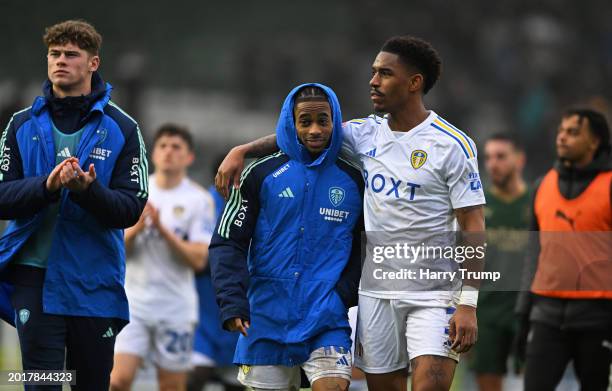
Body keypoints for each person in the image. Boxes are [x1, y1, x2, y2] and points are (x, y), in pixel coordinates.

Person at [215, 36, 486, 391]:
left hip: (434, 294)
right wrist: (242, 150)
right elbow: (303, 130)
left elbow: (473, 224)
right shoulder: (363, 133)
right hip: (375, 294)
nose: (373, 81)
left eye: (385, 73)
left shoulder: (452, 144)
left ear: (414, 83)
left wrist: (468, 302)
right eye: (373, 72)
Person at [0, 20, 148, 390]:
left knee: (90, 384)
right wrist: (47, 186)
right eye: (54, 54)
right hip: (35, 280)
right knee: (43, 383)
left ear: (93, 63)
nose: (60, 61)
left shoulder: (124, 128)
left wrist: (87, 190)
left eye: (71, 54)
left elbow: (131, 208)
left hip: (94, 284)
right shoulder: (19, 125)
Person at [210, 83, 363, 391]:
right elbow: (228, 241)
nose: (315, 130)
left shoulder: (354, 179)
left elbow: (364, 247)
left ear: (335, 121)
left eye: (323, 120)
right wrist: (232, 302)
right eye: (305, 122)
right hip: (265, 317)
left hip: (326, 318)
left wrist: (341, 297)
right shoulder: (260, 174)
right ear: (289, 123)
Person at [110, 124, 215, 391]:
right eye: (163, 146)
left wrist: (163, 230)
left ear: (189, 157)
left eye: (176, 147)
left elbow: (199, 260)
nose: (169, 152)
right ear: (152, 154)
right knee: (118, 381)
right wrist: (137, 229)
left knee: (170, 386)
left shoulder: (199, 200)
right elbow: (115, 250)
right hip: (134, 304)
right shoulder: (135, 193)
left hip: (175, 307)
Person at [515, 108, 612, 391]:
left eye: (573, 132)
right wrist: (522, 316)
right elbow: (533, 257)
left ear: (594, 142)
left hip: (598, 318)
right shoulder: (542, 186)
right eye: (561, 131)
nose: (562, 137)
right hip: (546, 316)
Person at [470, 134, 529, 391]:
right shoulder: (476, 204)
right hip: (488, 309)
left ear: (520, 159)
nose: (493, 164)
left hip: (529, 308)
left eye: (501, 156)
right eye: (489, 157)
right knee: (489, 382)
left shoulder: (538, 202)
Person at [188, 154, 242, 391]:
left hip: (234, 302)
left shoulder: (247, 202)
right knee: (197, 373)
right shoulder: (203, 203)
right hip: (204, 303)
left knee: (236, 377)